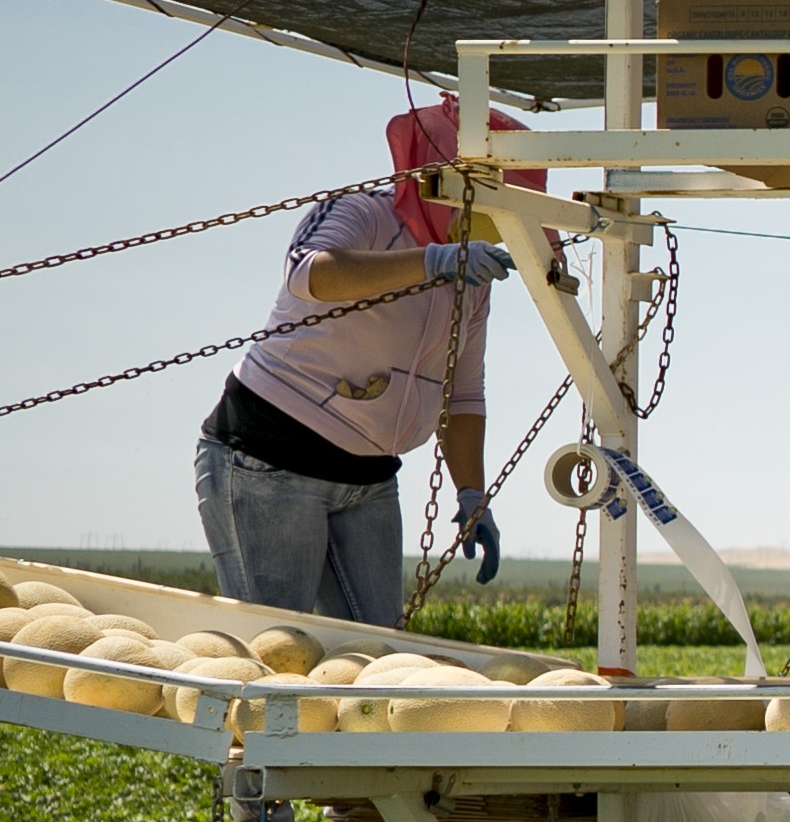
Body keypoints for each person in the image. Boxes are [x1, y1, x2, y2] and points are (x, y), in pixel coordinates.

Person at [196, 101, 541, 624]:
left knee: (378, 649)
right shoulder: (364, 214)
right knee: (278, 639)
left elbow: (463, 393)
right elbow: (310, 274)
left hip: (371, 478)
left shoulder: (474, 278)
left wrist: (472, 492)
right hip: (269, 463)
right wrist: (433, 261)